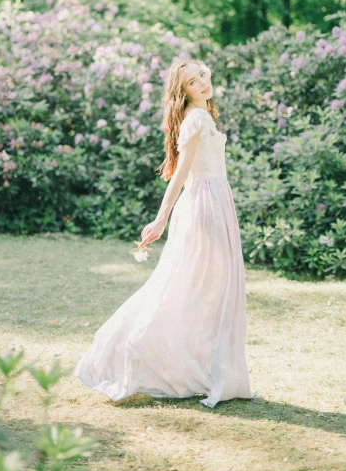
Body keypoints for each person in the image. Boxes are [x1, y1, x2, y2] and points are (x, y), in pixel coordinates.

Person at [74, 57, 257, 408]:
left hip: (215, 202)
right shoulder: (197, 118)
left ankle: (206, 368)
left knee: (207, 287)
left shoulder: (201, 115)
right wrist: (160, 219)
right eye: (192, 81)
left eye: (203, 75)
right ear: (183, 91)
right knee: (194, 286)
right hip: (204, 205)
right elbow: (181, 175)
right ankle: (135, 348)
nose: (203, 82)